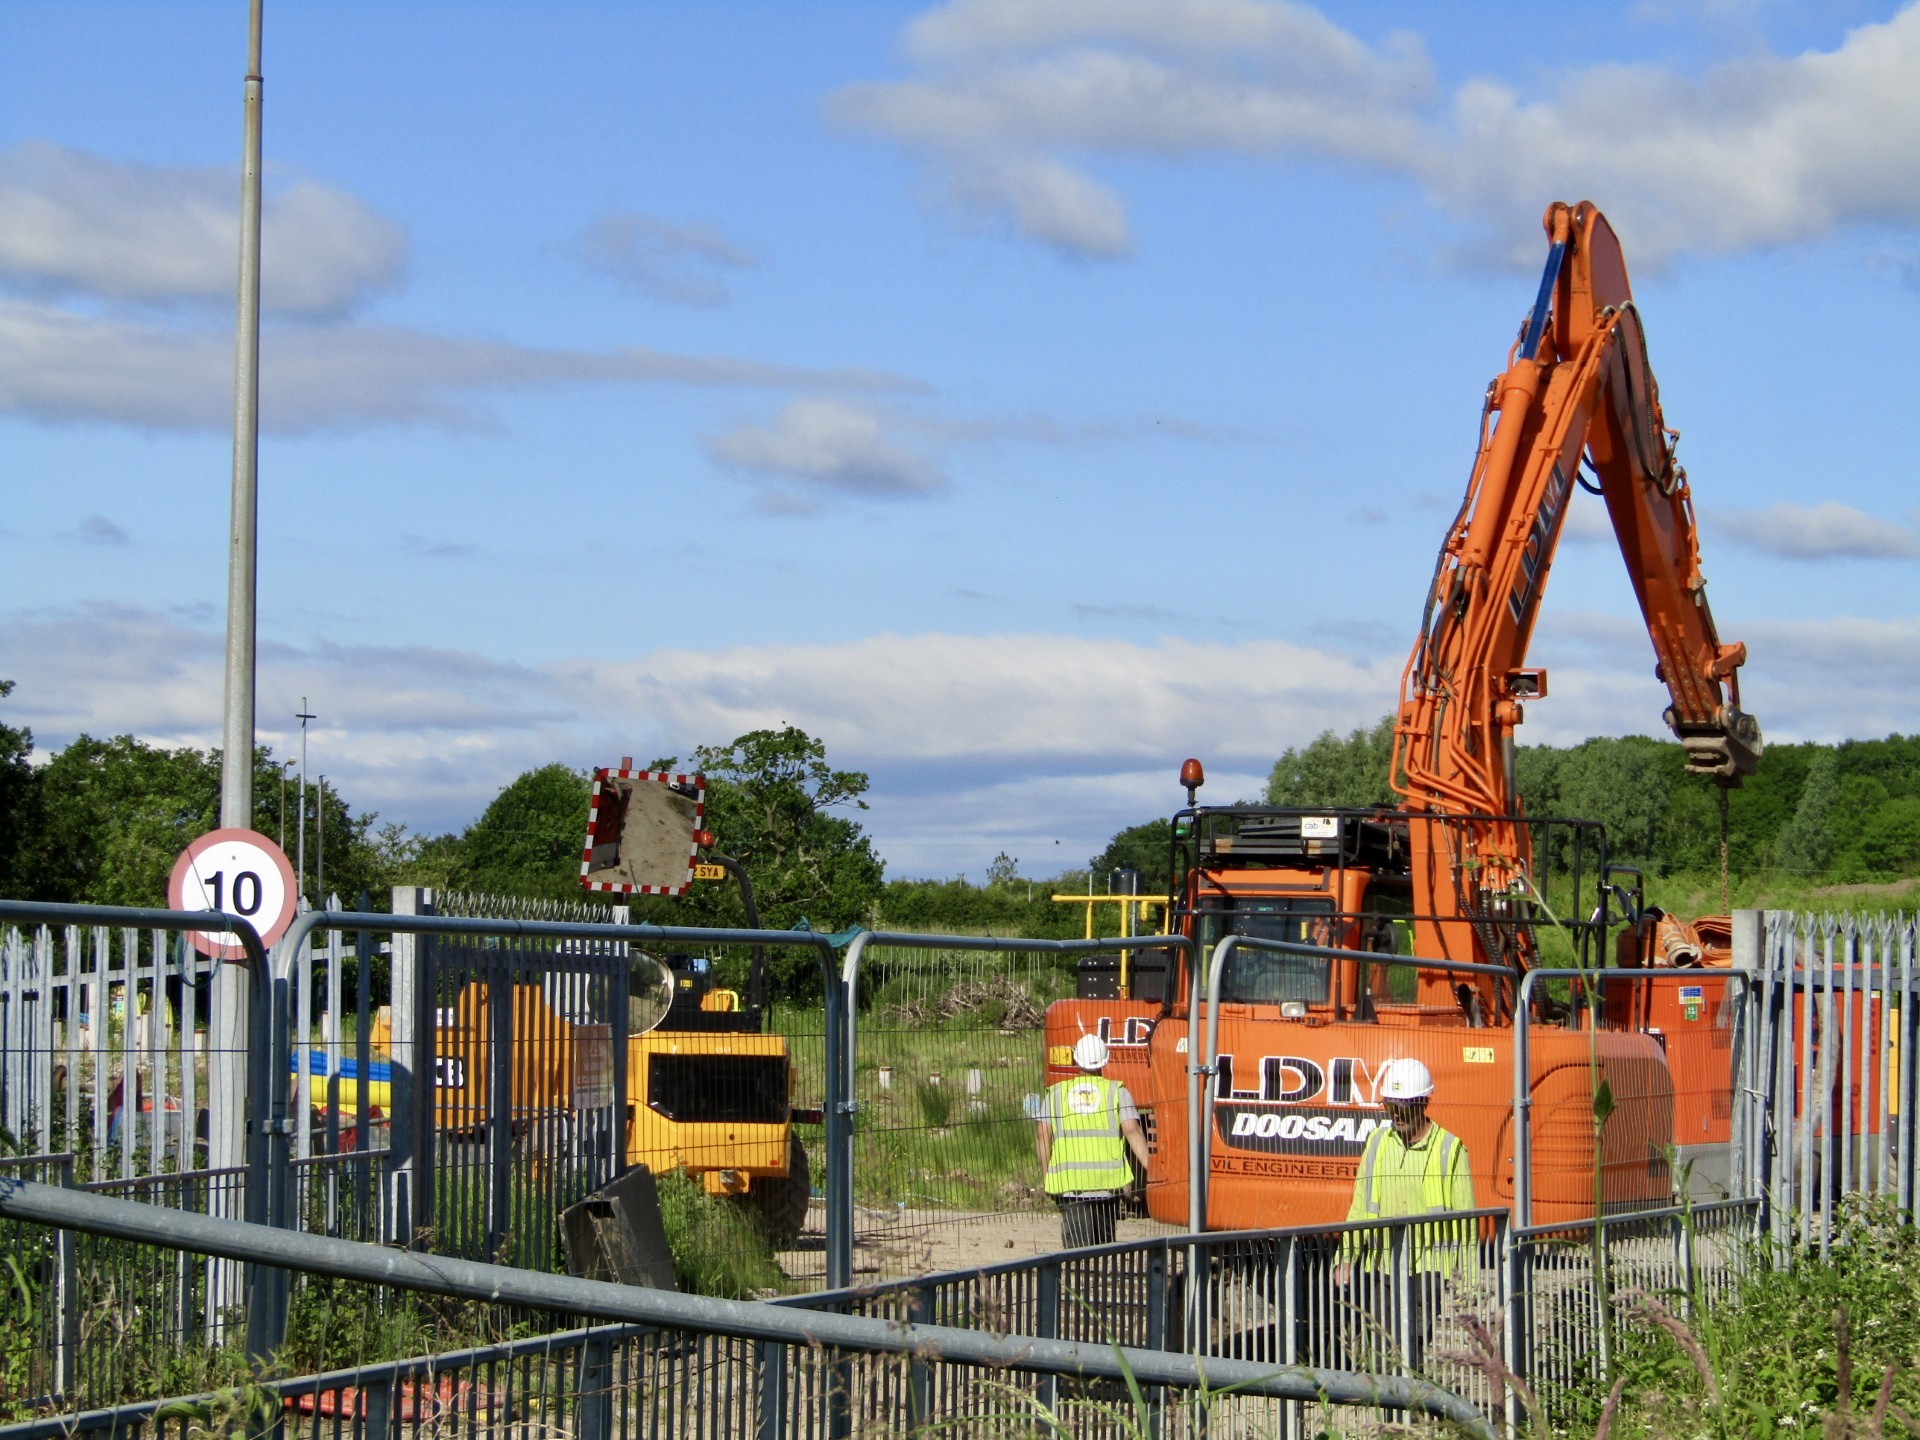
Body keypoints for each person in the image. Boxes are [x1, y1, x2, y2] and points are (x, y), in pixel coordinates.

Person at [1330, 1057, 1477, 1365]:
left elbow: (1467, 1224)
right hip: (1382, 1262)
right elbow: (1360, 1205)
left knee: (1409, 1341)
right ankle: (1394, 1405)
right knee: (1382, 1343)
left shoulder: (1449, 1149)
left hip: (1427, 1266)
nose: (1396, 1114)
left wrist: (1469, 1282)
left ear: (1423, 1103)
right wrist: (1346, 1256)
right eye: (1390, 1106)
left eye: (1404, 1106)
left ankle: (1405, 1405)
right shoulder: (1378, 1143)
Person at [1035, 1033, 1151, 1247]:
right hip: (1106, 1184)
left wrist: (1047, 1178)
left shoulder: (1057, 1094)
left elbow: (1043, 1134)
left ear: (1076, 1060)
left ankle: (1077, 1280)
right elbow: (1132, 1131)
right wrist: (1153, 1170)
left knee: (1076, 1252)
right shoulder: (1116, 1091)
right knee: (1103, 1249)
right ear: (1104, 1061)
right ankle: (1100, 1280)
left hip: (1070, 1185)